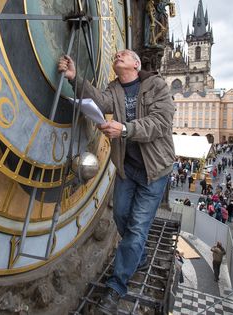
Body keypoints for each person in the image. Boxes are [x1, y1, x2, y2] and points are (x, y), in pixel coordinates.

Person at [58, 50, 175, 314]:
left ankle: (116, 286)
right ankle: (140, 257)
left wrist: (125, 129)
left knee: (136, 229)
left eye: (125, 54)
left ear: (136, 64)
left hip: (153, 172)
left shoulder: (156, 86)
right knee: (121, 216)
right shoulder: (115, 88)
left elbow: (160, 123)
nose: (118, 54)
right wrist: (75, 77)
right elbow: (98, 100)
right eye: (118, 54)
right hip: (128, 168)